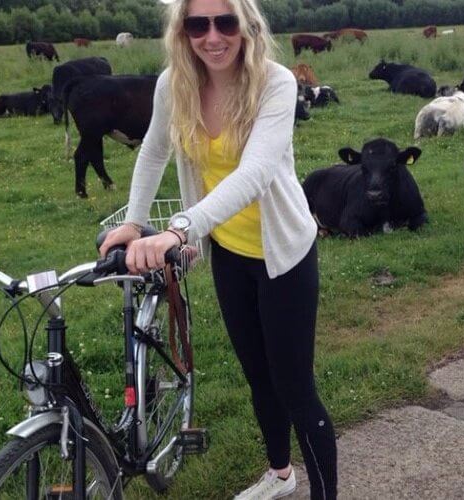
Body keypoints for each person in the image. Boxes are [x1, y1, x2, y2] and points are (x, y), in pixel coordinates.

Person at [99, 0, 337, 496]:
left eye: (225, 22)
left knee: (295, 387)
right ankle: (280, 475)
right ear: (182, 32)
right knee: (259, 377)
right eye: (198, 24)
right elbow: (154, 151)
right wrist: (134, 222)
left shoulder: (275, 83)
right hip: (229, 252)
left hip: (284, 255)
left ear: (246, 26)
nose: (213, 37)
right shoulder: (174, 84)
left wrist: (180, 229)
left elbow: (256, 173)